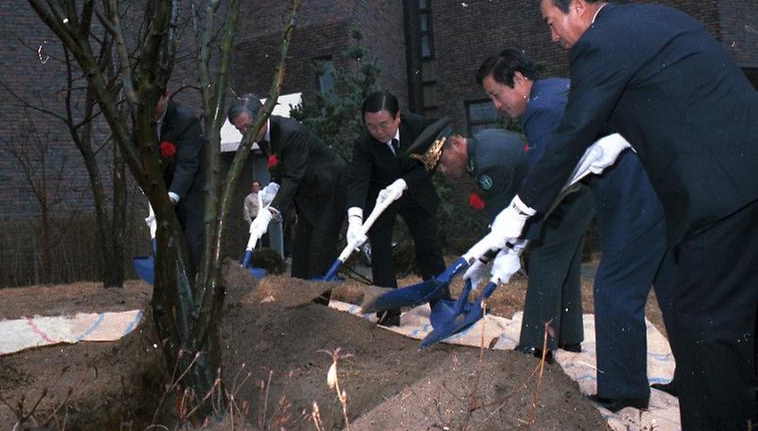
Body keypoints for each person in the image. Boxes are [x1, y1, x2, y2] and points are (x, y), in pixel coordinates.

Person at [482, 0, 758, 431]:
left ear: (580, 7)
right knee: (734, 320)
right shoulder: (652, 21)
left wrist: (521, 211)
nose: (553, 36)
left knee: (703, 330)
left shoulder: (598, 45)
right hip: (743, 181)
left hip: (719, 198)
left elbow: (573, 135)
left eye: (552, 22)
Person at [476, 48, 676, 411]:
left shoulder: (543, 110)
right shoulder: (553, 91)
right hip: (648, 183)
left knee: (613, 288)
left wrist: (516, 241)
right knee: (671, 284)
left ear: (519, 80)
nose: (496, 105)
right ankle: (696, 377)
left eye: (495, 94)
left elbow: (545, 181)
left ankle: (624, 390)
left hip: (635, 189)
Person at [440, 126, 595, 364]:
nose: (443, 170)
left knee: (543, 265)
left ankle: (535, 349)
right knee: (564, 266)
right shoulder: (483, 141)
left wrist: (487, 257)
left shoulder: (488, 165)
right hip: (571, 194)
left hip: (563, 200)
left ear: (457, 145)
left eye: (442, 162)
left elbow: (502, 222)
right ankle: (568, 337)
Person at [346, 91, 446, 326]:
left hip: (415, 191)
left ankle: (442, 305)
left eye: (384, 125)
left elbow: (430, 163)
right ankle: (388, 311)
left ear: (397, 118)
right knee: (380, 251)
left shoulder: (419, 126)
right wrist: (354, 219)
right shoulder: (363, 144)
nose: (379, 132)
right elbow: (358, 180)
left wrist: (403, 184)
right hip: (381, 198)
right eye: (371, 126)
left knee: (429, 247)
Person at [228, 96, 346, 280]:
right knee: (300, 253)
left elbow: (292, 177)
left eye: (248, 127)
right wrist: (271, 188)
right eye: (240, 129)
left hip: (329, 191)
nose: (245, 133)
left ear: (262, 114)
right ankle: (300, 300)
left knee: (319, 251)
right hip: (307, 197)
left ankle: (318, 304)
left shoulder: (289, 132)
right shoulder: (261, 135)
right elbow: (281, 169)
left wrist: (270, 211)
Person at [151, 91, 206, 272]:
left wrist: (172, 196)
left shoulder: (185, 120)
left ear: (165, 96)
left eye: (154, 100)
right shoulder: (143, 118)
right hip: (164, 186)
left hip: (192, 188)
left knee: (191, 238)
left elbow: (187, 165)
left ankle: (192, 280)